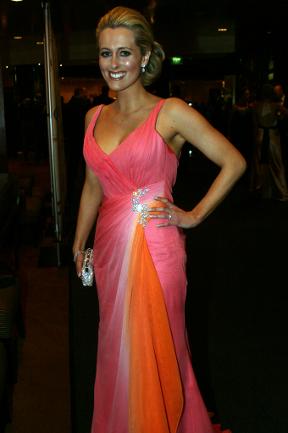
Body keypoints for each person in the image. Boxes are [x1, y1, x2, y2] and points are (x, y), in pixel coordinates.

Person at [72, 6, 246, 433]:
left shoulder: (169, 112)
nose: (114, 65)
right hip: (110, 251)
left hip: (158, 247)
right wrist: (78, 244)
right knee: (119, 347)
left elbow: (234, 162)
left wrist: (193, 215)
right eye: (105, 54)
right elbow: (94, 185)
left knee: (160, 348)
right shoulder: (93, 117)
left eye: (124, 54)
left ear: (145, 57)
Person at [250, 83, 288, 200]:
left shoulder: (256, 105)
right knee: (277, 164)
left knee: (259, 164)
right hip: (272, 136)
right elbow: (285, 114)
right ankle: (282, 192)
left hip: (261, 136)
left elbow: (255, 124)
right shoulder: (276, 105)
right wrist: (279, 116)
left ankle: (260, 189)